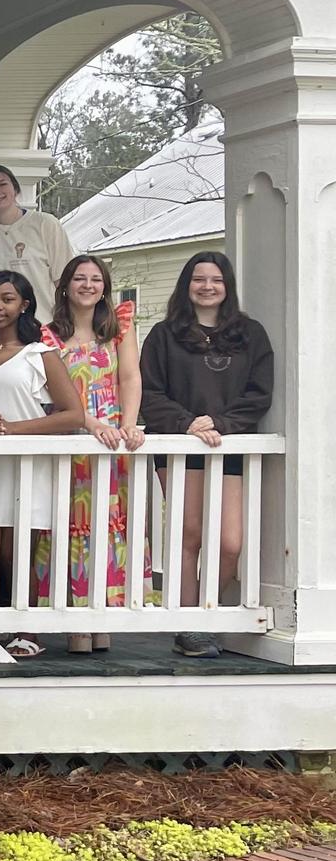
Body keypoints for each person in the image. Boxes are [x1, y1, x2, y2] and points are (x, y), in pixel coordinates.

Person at [138, 250, 274, 659]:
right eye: (199, 279)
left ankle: (203, 615)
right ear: (187, 285)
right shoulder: (164, 335)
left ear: (227, 286)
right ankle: (190, 628)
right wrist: (188, 423)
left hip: (228, 444)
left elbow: (259, 394)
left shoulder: (251, 334)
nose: (207, 286)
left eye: (216, 280)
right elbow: (149, 393)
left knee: (230, 542)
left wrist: (219, 423)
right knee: (190, 535)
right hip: (181, 446)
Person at [0, 271, 85, 655]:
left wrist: (11, 429)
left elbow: (72, 414)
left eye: (7, 299)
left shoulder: (39, 354)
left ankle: (27, 632)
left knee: (18, 550)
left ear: (24, 305)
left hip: (27, 463)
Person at [29, 254, 144, 652]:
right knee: (69, 523)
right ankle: (75, 619)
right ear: (65, 286)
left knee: (108, 526)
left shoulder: (119, 328)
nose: (88, 285)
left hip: (112, 442)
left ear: (104, 288)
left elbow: (129, 377)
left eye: (96, 279)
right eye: (80, 278)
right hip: (72, 437)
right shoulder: (47, 336)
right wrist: (90, 424)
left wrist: (128, 424)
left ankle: (103, 616)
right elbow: (51, 395)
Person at [0, 163, 74, 322]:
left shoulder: (46, 224)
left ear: (15, 189)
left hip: (43, 324)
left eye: (2, 184)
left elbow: (64, 281)